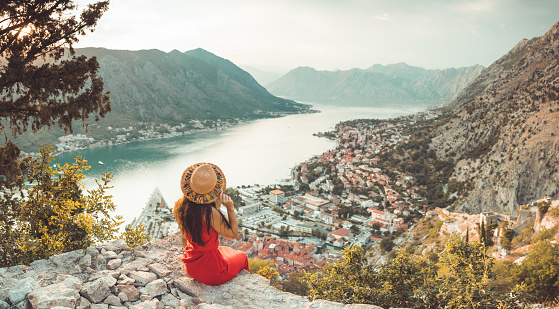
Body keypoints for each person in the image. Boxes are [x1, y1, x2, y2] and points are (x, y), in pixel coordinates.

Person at [173, 162, 249, 285]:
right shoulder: (209, 213)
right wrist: (230, 207)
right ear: (214, 189)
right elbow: (233, 233)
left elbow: (184, 237)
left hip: (191, 266)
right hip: (213, 272)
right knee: (242, 257)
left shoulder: (179, 206)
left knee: (225, 249)